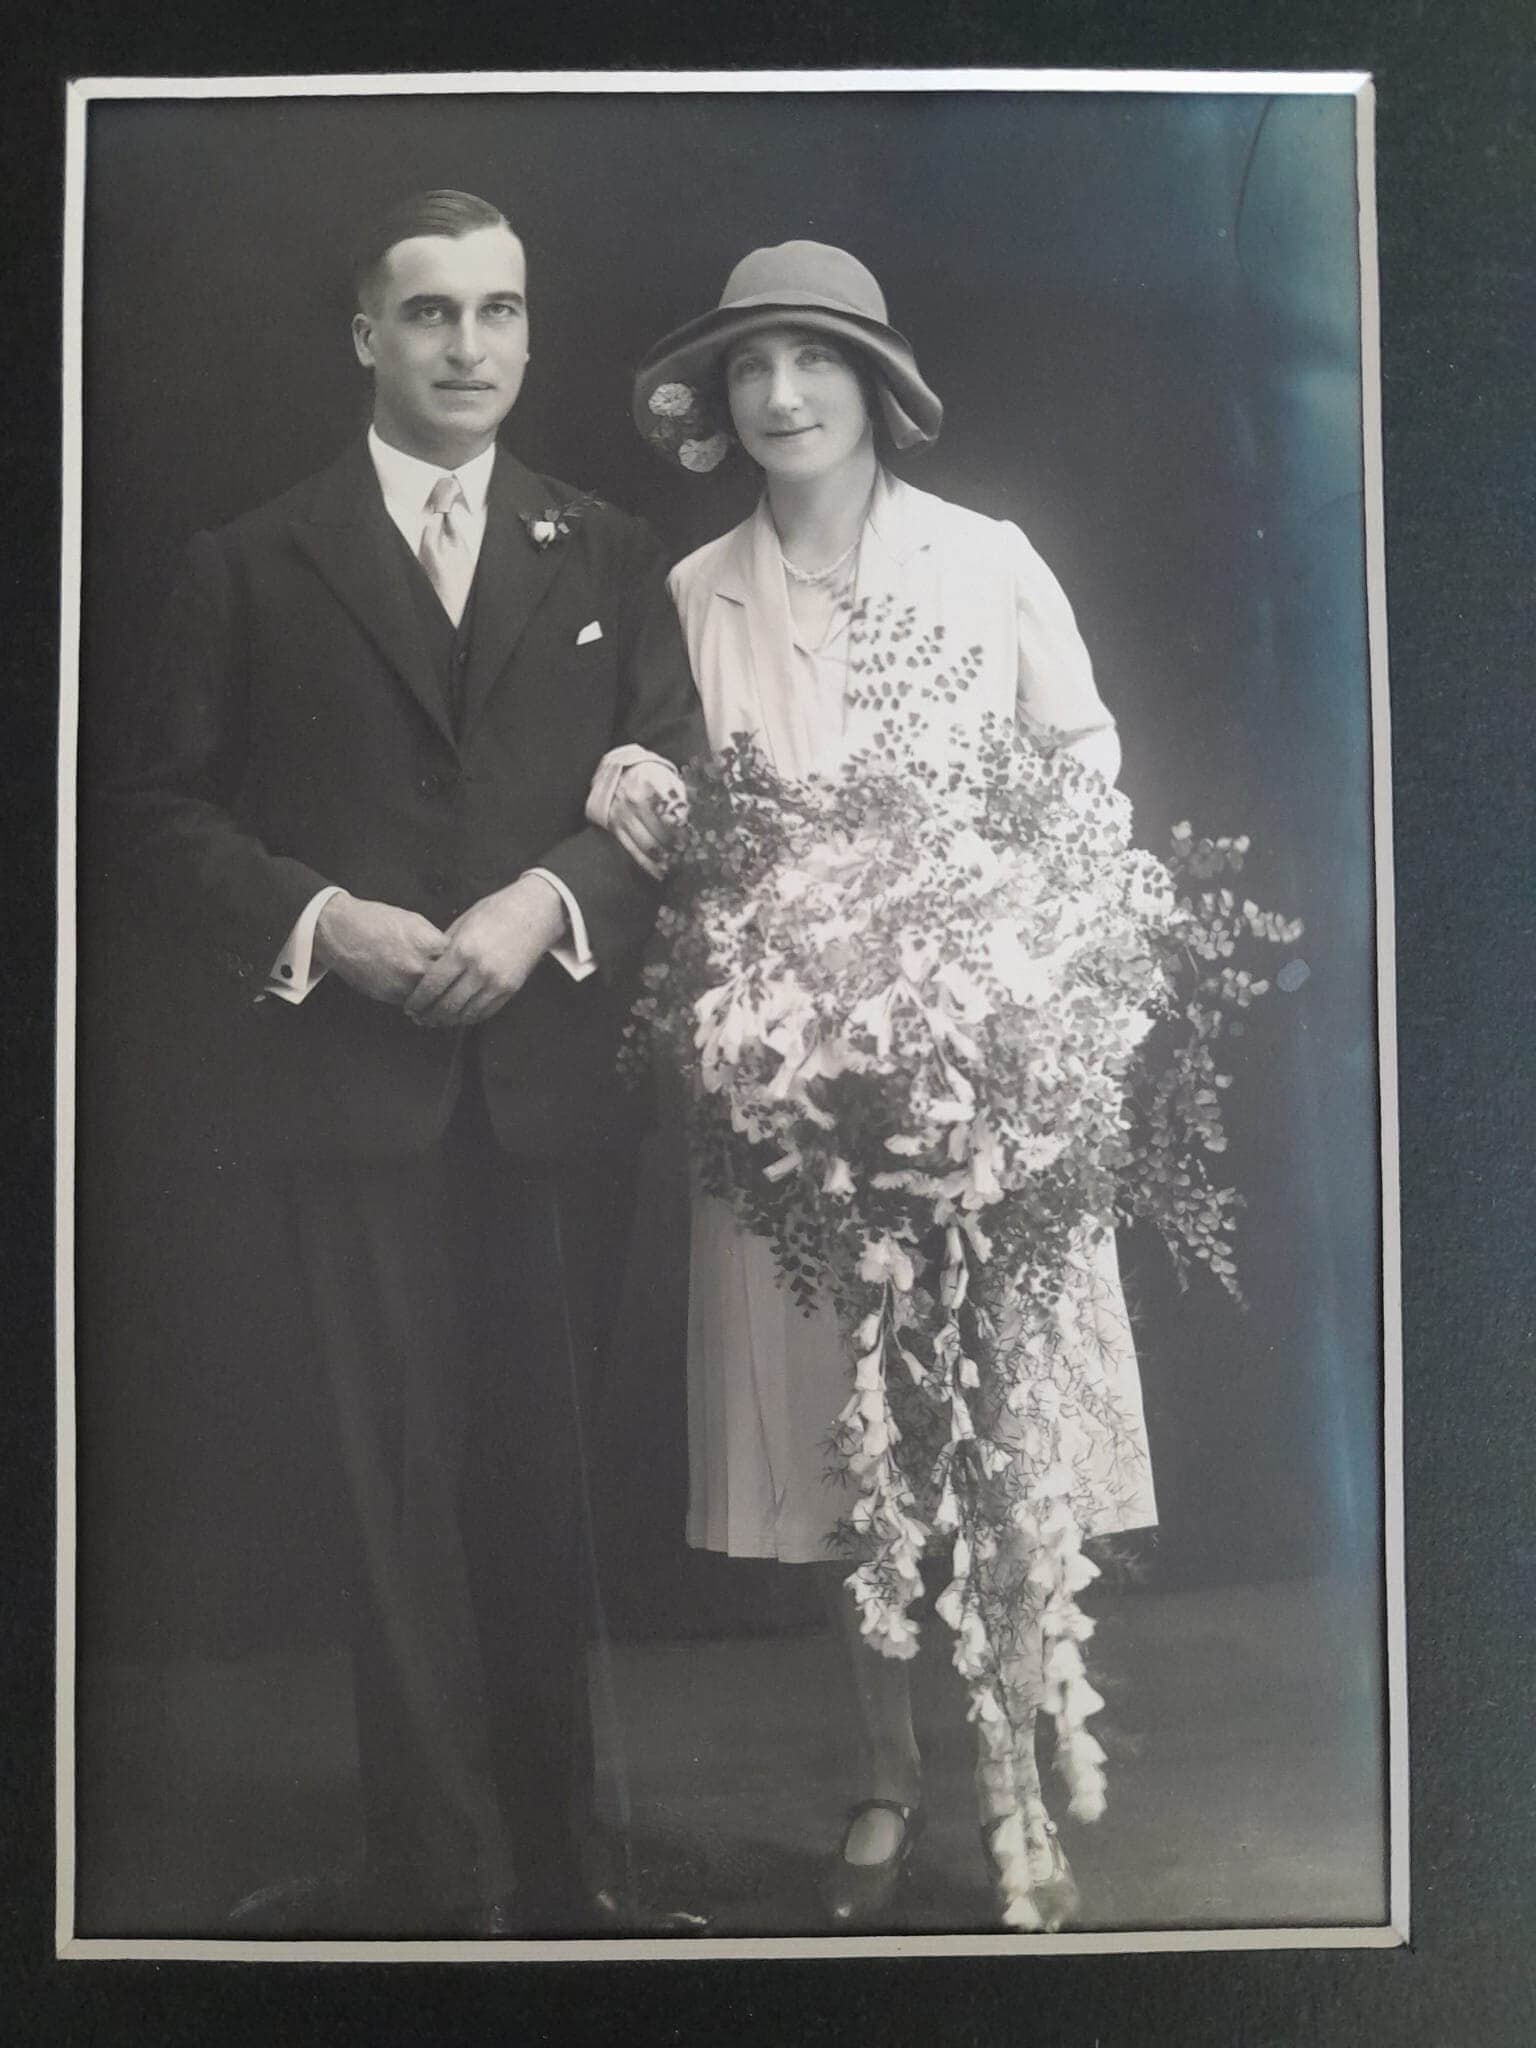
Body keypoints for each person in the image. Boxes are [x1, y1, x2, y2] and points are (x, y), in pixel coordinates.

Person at [108, 189, 703, 1935]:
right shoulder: (251, 558)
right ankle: (437, 1886)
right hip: (350, 1097)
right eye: (431, 312)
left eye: (499, 310)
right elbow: (156, 808)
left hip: (548, 1096)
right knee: (390, 1494)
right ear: (366, 337)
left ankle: (561, 1877)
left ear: (530, 331)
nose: (469, 345)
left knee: (545, 1485)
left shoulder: (606, 550)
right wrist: (321, 922)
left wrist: (544, 904)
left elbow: (670, 779)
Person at [591, 241, 1157, 1929]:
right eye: (752, 367)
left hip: (984, 1074)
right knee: (858, 1441)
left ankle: (1021, 1770)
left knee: (997, 1425)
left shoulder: (987, 561)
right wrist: (638, 799)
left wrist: (1022, 963)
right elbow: (682, 815)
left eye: (815, 361)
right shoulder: (695, 592)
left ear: (875, 384)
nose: (782, 396)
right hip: (797, 1091)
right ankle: (887, 1775)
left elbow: (1085, 765)